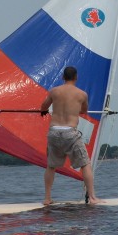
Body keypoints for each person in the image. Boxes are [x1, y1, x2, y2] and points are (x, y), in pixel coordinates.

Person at [40, 66, 103, 205]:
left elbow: (43, 107)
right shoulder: (82, 94)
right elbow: (84, 110)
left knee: (51, 166)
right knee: (85, 164)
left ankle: (47, 198)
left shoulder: (54, 91)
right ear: (76, 77)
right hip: (70, 132)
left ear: (63, 77)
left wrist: (46, 110)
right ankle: (92, 197)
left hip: (54, 132)